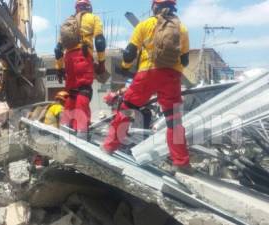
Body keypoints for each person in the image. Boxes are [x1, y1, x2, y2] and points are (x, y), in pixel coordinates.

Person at [102, 0, 193, 173]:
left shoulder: (145, 25)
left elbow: (129, 53)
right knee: (174, 120)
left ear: (154, 7)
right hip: (172, 76)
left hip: (147, 73)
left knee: (126, 109)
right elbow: (185, 60)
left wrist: (125, 68)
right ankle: (181, 162)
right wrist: (173, 73)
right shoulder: (182, 28)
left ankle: (109, 146)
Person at [55, 0, 106, 138]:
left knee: (72, 93)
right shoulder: (93, 18)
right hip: (83, 57)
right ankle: (82, 131)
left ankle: (66, 127)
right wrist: (101, 62)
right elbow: (100, 40)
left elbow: (58, 49)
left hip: (68, 59)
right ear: (89, 7)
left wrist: (59, 68)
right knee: (84, 91)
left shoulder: (68, 23)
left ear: (76, 8)